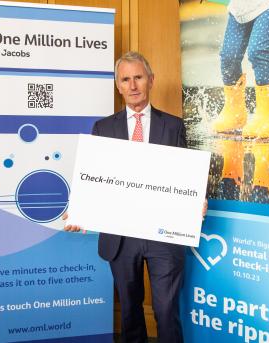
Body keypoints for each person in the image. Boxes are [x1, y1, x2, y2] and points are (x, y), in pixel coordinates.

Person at [64, 51, 188, 343]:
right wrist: (79, 210)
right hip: (121, 236)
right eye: (125, 79)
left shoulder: (174, 126)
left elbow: (186, 177)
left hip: (163, 234)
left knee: (166, 310)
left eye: (138, 77)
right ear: (118, 86)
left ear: (151, 81)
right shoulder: (103, 128)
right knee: (130, 312)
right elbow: (93, 179)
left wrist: (196, 201)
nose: (133, 85)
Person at [212, 0, 269, 138]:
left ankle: (267, 116)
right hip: (241, 5)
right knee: (229, 56)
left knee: (258, 51)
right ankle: (234, 112)